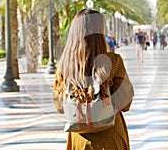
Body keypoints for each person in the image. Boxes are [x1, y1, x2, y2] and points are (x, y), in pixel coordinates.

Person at [53, 9, 134, 150]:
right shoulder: (113, 61)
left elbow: (60, 107)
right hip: (110, 138)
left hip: (79, 141)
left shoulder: (64, 67)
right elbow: (125, 104)